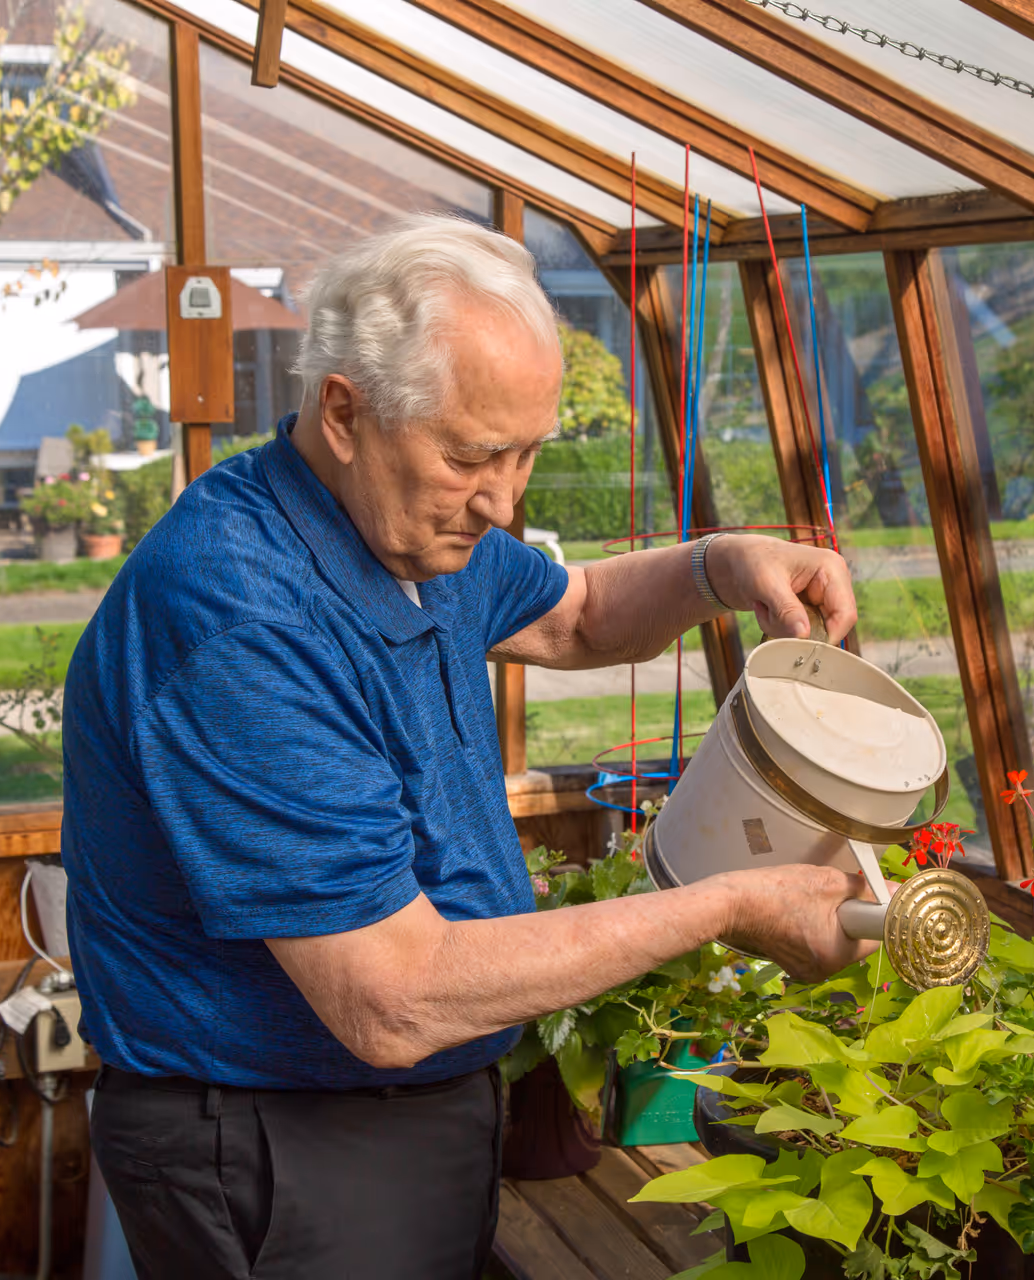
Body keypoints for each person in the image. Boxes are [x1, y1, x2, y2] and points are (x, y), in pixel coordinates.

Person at [63, 214, 872, 1280]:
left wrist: (719, 565)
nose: (504, 498)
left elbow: (577, 612)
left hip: (404, 1105)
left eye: (526, 448)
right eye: (470, 456)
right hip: (281, 1134)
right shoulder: (240, 616)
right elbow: (391, 996)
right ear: (345, 413)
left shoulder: (406, 530)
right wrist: (729, 903)